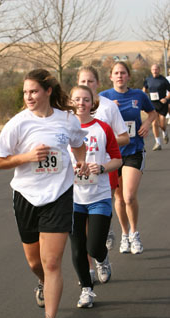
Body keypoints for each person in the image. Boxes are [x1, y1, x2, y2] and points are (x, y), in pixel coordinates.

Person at [0, 69, 88, 318]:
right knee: (36, 262)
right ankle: (43, 282)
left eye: (34, 91)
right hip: (26, 196)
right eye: (25, 92)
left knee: (52, 261)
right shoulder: (18, 124)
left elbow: (79, 145)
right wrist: (27, 156)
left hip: (58, 194)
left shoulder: (67, 120)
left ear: (48, 91)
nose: (29, 97)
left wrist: (80, 161)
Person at [69, 85, 122, 308]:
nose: (81, 103)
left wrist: (100, 168)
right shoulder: (64, 130)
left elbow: (118, 160)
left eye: (86, 99)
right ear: (71, 102)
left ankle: (102, 258)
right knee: (78, 248)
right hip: (72, 198)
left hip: (99, 195)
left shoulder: (103, 129)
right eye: (77, 99)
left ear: (93, 103)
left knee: (94, 247)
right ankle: (86, 290)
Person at [77, 65, 129, 283]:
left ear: (98, 83)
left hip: (103, 172)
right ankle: (89, 269)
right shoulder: (71, 112)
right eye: (83, 82)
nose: (87, 86)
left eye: (90, 81)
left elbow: (124, 138)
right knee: (83, 230)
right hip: (78, 179)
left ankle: (100, 253)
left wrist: (102, 142)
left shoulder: (108, 107)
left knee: (96, 226)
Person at [100, 62, 156, 254]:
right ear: (111, 77)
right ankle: (124, 235)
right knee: (119, 198)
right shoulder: (103, 98)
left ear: (128, 76)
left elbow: (153, 112)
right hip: (113, 154)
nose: (120, 76)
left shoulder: (138, 95)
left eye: (123, 73)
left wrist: (148, 123)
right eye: (116, 73)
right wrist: (109, 110)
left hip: (134, 150)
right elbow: (93, 119)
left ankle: (134, 233)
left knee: (129, 196)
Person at [143, 64, 170, 150]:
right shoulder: (148, 79)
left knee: (162, 124)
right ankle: (158, 143)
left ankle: (165, 132)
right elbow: (144, 89)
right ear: (151, 70)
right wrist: (144, 97)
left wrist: (166, 98)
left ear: (159, 70)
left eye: (156, 69)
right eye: (153, 69)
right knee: (154, 123)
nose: (155, 71)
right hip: (152, 104)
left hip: (162, 104)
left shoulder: (164, 80)